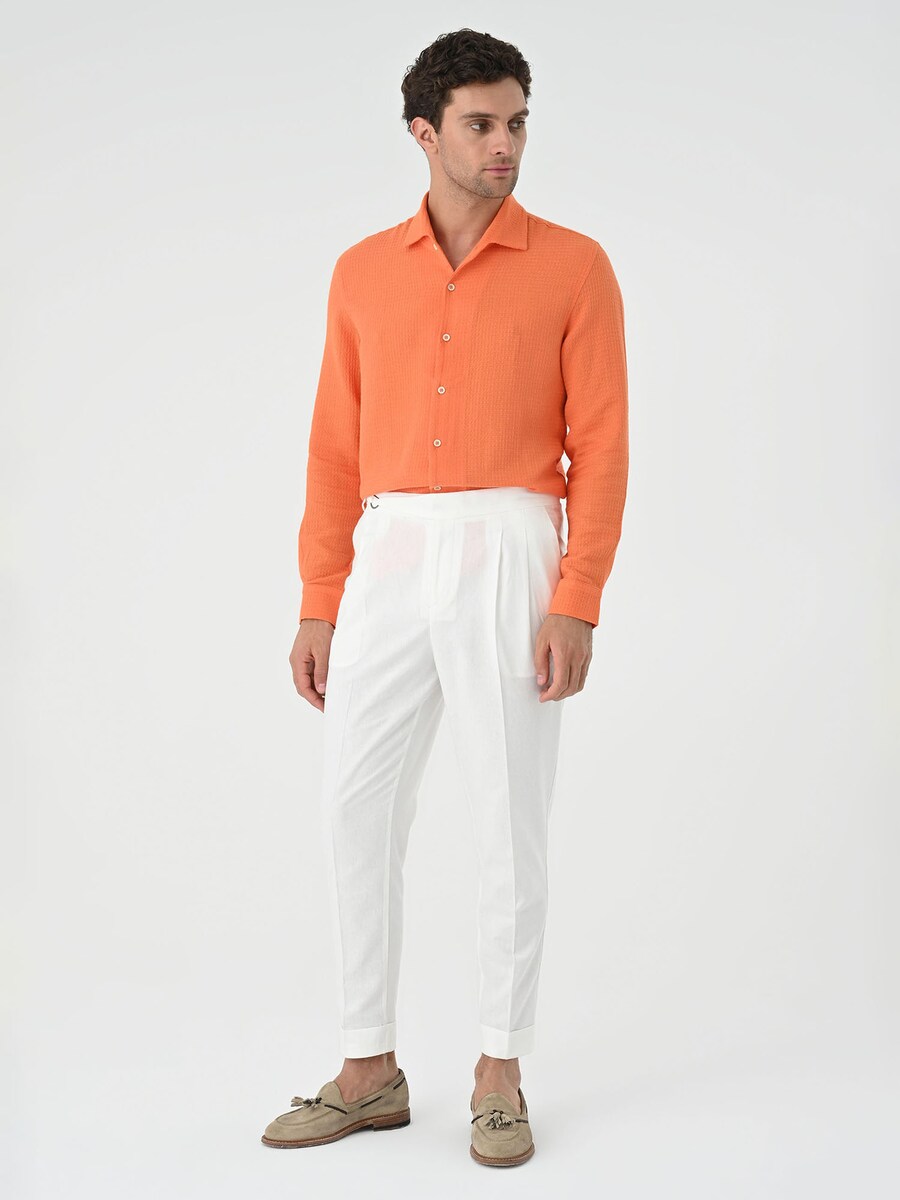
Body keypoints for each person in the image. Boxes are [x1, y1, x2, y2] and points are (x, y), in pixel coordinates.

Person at [261, 27, 629, 1167]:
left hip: (511, 544)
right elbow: (333, 446)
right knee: (355, 805)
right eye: (480, 124)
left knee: (509, 814)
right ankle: (367, 1066)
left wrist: (577, 596)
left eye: (517, 122)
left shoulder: (575, 266)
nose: (504, 143)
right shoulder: (362, 272)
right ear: (424, 133)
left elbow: (601, 444)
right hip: (386, 548)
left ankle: (499, 1069)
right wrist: (320, 598)